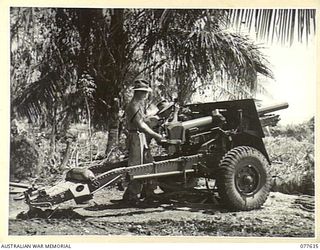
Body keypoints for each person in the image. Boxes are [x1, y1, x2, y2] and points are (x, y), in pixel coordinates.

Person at [122, 79, 165, 204]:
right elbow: (140, 125)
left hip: (139, 137)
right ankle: (131, 196)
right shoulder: (133, 105)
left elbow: (142, 121)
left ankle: (149, 192)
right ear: (139, 92)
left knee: (149, 163)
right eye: (145, 92)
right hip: (136, 137)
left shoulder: (138, 105)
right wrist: (156, 135)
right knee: (137, 167)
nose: (146, 95)